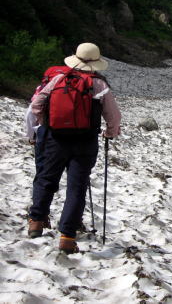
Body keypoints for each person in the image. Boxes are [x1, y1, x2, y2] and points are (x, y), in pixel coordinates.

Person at [27, 43, 121, 254]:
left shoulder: (58, 79)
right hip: (85, 142)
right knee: (77, 186)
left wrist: (47, 122)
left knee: (46, 178)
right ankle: (67, 237)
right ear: (96, 63)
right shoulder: (99, 84)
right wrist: (110, 133)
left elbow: (36, 104)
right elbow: (113, 116)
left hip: (55, 138)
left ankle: (36, 221)